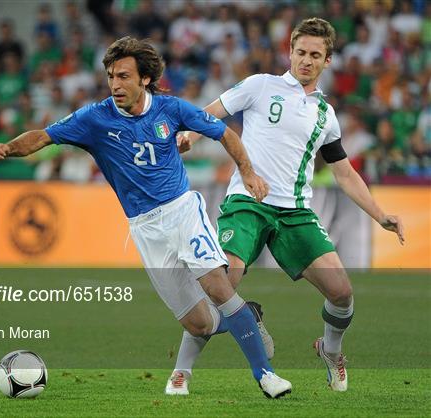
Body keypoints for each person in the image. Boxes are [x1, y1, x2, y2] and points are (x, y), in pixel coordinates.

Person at [0, 36, 292, 399]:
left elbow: (224, 132)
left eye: (124, 77)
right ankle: (249, 318)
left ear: (145, 78)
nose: (115, 84)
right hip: (145, 229)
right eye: (112, 76)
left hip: (183, 211)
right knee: (199, 323)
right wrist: (9, 148)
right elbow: (44, 136)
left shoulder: (171, 109)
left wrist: (249, 172)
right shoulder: (94, 118)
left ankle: (266, 376)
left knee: (219, 288)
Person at [170, 18, 405, 394]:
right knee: (223, 281)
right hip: (248, 202)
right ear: (290, 52)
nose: (306, 61)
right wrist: (189, 137)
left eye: (315, 55)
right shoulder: (261, 85)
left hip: (295, 213)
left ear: (328, 60)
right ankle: (181, 373)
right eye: (300, 52)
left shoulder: (326, 116)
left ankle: (330, 350)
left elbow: (344, 174)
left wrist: (381, 216)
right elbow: (209, 113)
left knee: (342, 293)